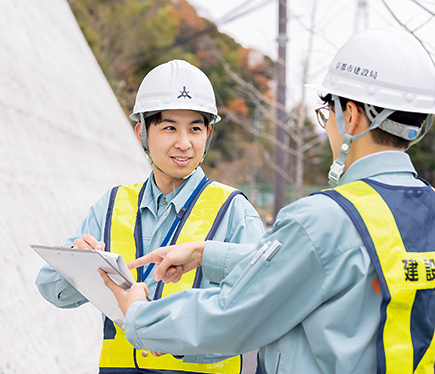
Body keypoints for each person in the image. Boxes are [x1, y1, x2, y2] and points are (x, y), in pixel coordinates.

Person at [99, 28, 435, 373]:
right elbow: (320, 265)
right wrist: (205, 254)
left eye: (327, 113)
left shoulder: (323, 220)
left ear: (350, 116)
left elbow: (232, 316)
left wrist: (140, 315)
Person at [35, 59, 265, 373]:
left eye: (195, 129)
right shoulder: (112, 205)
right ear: (141, 131)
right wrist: (81, 261)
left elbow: (258, 311)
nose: (184, 143)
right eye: (169, 127)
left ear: (208, 133)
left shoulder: (234, 212)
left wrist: (173, 338)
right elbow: (52, 290)